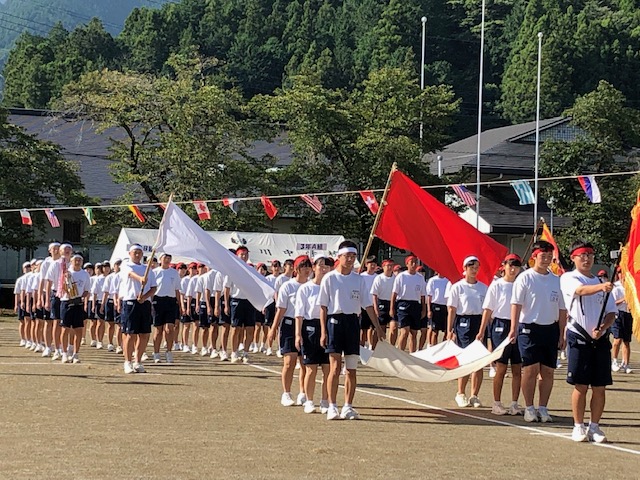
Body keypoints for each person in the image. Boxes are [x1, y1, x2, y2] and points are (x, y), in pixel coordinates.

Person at [318, 240, 385, 420]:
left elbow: (368, 305)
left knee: (351, 368)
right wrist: (323, 331)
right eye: (347, 256)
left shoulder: (359, 279)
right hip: (335, 321)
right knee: (334, 367)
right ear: (339, 257)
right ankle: (332, 405)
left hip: (352, 323)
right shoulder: (330, 278)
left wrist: (377, 327)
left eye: (353, 256)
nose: (350, 259)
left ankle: (348, 405)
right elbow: (323, 306)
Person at [561, 240, 617, 443]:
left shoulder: (601, 283)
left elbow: (612, 312)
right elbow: (581, 291)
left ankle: (595, 426)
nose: (586, 259)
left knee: (600, 386)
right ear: (573, 258)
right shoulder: (569, 278)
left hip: (600, 339)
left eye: (590, 255)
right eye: (582, 255)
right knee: (580, 385)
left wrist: (603, 328)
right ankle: (578, 425)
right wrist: (602, 286)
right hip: (579, 337)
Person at [510, 240, 567, 423]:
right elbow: (516, 304)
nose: (547, 259)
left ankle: (543, 407)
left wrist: (561, 333)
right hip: (529, 328)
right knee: (530, 370)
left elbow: (562, 309)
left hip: (550, 329)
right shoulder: (525, 278)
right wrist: (513, 329)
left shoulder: (556, 280)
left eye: (550, 256)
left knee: (548, 371)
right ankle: (529, 407)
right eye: (543, 256)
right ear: (534, 257)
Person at [477, 253, 524, 415]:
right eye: (510, 265)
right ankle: (496, 402)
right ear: (503, 266)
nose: (513, 268)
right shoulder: (496, 285)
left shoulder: (521, 284)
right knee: (501, 367)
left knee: (517, 367)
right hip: (500, 325)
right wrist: (482, 330)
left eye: (516, 265)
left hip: (518, 325)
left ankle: (515, 403)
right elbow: (488, 309)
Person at [269, 255, 312, 407]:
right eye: (303, 266)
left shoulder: (312, 286)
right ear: (296, 269)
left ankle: (303, 392)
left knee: (305, 362)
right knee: (290, 361)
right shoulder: (288, 286)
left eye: (308, 266)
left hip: (306, 324)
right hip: (289, 324)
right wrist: (273, 328)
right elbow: (281, 309)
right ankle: (286, 393)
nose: (307, 270)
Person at [447, 256, 488, 408]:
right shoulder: (457, 287)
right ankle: (460, 393)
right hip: (463, 322)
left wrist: (484, 328)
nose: (474, 269)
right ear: (464, 268)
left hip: (478, 322)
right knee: (465, 359)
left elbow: (486, 310)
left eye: (477, 267)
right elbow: (452, 309)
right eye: (471, 267)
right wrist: (449, 330)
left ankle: (474, 395)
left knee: (478, 361)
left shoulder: (483, 288)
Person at [295, 256, 333, 414]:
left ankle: (325, 400)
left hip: (328, 326)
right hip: (310, 327)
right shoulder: (306, 288)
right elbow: (299, 313)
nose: (324, 269)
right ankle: (309, 400)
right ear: (314, 268)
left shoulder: (331, 287)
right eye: (321, 266)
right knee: (310, 368)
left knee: (328, 368)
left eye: (327, 267)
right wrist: (298, 334)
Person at [118, 244, 157, 374]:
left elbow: (153, 287)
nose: (137, 254)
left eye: (139, 252)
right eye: (135, 252)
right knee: (131, 334)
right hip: (130, 302)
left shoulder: (148, 269)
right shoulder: (126, 265)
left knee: (144, 334)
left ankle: (138, 361)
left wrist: (145, 296)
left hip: (144, 303)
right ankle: (127, 361)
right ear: (130, 253)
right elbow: (130, 274)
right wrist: (140, 279)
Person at [390, 255, 427, 353]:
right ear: (407, 264)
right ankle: (400, 353)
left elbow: (423, 295)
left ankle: (412, 354)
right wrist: (392, 308)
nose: (414, 264)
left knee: (414, 333)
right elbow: (394, 293)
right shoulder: (401, 277)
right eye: (412, 262)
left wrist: (424, 309)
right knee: (405, 331)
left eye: (415, 262)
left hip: (415, 305)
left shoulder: (420, 278)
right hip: (403, 304)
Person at [59, 254, 91, 364]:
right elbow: (61, 287)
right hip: (66, 302)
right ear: (71, 261)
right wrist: (68, 292)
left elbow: (87, 290)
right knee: (65, 329)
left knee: (78, 330)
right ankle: (64, 353)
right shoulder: (66, 273)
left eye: (79, 260)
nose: (77, 262)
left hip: (78, 304)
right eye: (75, 260)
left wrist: (81, 297)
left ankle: (76, 354)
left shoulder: (85, 274)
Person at [152, 253, 181, 363]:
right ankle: (156, 353)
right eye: (165, 258)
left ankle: (169, 352)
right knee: (158, 329)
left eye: (169, 258)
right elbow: (151, 289)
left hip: (171, 301)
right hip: (158, 301)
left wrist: (180, 304)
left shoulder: (174, 273)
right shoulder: (155, 272)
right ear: (160, 259)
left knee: (169, 329)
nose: (167, 260)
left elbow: (177, 289)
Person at [611, 270, 633, 374]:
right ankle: (614, 361)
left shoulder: (631, 287)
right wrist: (624, 299)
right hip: (618, 314)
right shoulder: (616, 287)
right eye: (620, 273)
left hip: (628, 314)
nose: (622, 275)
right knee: (617, 340)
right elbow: (613, 303)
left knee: (626, 341)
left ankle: (626, 364)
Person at [370, 259, 395, 344]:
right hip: (381, 303)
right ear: (383, 267)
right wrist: (376, 308)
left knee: (394, 327)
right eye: (388, 265)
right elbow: (374, 294)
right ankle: (374, 348)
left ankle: (392, 348)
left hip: (392, 303)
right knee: (380, 327)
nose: (390, 267)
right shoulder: (379, 278)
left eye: (391, 265)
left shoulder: (395, 278)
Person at [262, 260, 282, 355]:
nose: (276, 268)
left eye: (278, 266)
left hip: (280, 304)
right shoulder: (268, 278)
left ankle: (279, 348)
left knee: (279, 327)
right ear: (271, 268)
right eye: (274, 266)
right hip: (270, 303)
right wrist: (264, 305)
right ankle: (269, 347)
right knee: (270, 326)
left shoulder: (282, 278)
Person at [426, 272, 450, 345]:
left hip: (446, 307)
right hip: (435, 306)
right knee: (435, 331)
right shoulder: (432, 280)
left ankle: (442, 348)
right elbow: (429, 296)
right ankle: (433, 347)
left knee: (447, 331)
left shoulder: (448, 281)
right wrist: (429, 310)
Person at [359, 256, 378, 349]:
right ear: (366, 265)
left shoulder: (377, 277)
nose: (373, 266)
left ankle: (372, 346)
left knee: (374, 327)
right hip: (363, 306)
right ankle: (361, 347)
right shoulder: (361, 276)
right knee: (363, 329)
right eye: (371, 264)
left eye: (374, 264)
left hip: (373, 305)